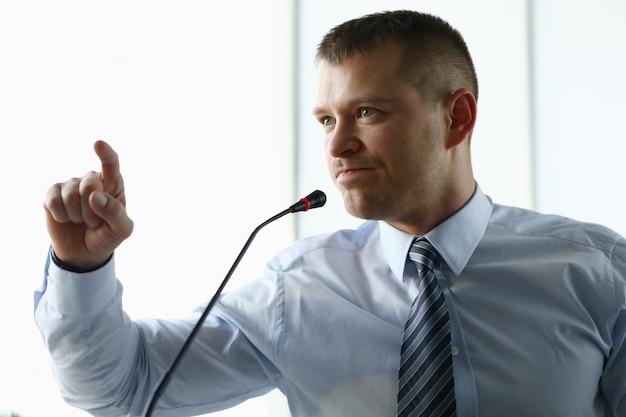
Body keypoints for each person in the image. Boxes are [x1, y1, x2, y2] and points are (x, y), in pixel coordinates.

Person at [34, 10, 626, 417]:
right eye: (325, 120)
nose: (337, 146)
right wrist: (80, 266)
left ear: (458, 118)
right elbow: (125, 390)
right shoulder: (296, 291)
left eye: (367, 112)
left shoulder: (596, 271)